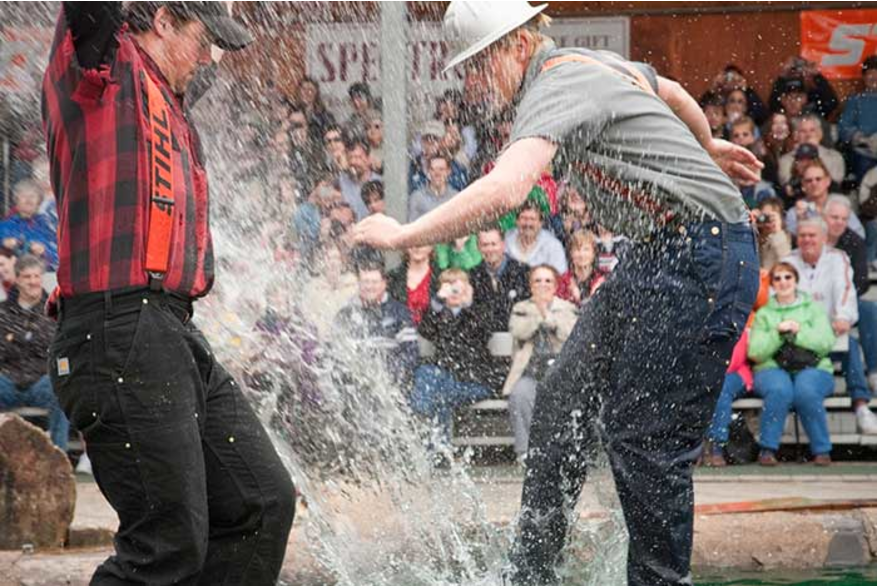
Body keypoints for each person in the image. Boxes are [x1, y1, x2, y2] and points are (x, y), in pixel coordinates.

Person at [354, 2, 761, 584]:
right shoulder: (589, 65)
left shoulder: (554, 82)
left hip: (702, 251)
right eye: (465, 70)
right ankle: (531, 575)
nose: (471, 81)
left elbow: (506, 190)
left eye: (478, 64)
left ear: (519, 45)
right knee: (559, 403)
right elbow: (671, 92)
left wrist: (403, 235)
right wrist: (707, 147)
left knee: (643, 440)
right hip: (657, 253)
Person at [42, 3, 296, 584]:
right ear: (161, 20)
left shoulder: (167, 90)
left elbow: (208, 44)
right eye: (204, 40)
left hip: (167, 328)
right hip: (116, 329)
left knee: (261, 503)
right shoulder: (99, 65)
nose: (210, 58)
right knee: (167, 543)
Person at [784, 219, 877, 436]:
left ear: (824, 238)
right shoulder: (788, 261)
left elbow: (845, 291)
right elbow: (781, 298)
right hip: (798, 335)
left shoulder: (838, 258)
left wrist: (843, 317)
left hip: (829, 332)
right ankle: (785, 412)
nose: (807, 240)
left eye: (812, 235)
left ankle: (861, 406)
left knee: (850, 345)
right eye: (803, 235)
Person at [749, 263, 837, 466]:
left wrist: (799, 332)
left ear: (796, 280)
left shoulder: (813, 308)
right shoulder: (764, 314)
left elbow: (826, 343)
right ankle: (767, 450)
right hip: (772, 367)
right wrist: (777, 333)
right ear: (772, 284)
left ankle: (822, 450)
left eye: (788, 277)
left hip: (813, 366)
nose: (783, 282)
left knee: (806, 391)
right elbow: (756, 352)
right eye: (777, 278)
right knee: (779, 390)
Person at [411, 269, 500, 444]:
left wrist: (468, 304)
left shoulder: (477, 311)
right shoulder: (439, 315)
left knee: (438, 394)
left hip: (474, 381)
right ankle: (439, 448)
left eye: (458, 288)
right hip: (445, 380)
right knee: (426, 373)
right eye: (449, 288)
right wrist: (437, 302)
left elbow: (485, 330)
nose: (454, 292)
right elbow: (425, 331)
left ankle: (423, 420)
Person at [505, 265, 578, 463]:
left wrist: (548, 316)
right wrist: (539, 314)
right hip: (531, 372)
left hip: (560, 372)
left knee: (567, 398)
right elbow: (519, 331)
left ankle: (561, 452)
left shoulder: (567, 308)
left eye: (547, 281)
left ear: (555, 286)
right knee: (520, 395)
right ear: (531, 285)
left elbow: (569, 334)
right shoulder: (521, 308)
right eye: (537, 281)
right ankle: (526, 451)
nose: (542, 285)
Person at [0, 256, 69, 450]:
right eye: (27, 276)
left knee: (63, 391)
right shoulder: (3, 312)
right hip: (8, 381)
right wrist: (29, 340)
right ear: (17, 280)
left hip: (42, 381)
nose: (33, 281)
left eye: (37, 276)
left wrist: (16, 339)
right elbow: (2, 350)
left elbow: (55, 349)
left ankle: (58, 455)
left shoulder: (55, 311)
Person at [469, 227, 532, 333]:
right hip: (485, 336)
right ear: (478, 247)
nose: (490, 249)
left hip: (517, 334)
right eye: (485, 245)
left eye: (493, 244)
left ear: (503, 245)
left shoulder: (522, 271)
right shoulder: (473, 275)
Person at [0, 180, 58, 270]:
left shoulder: (47, 226)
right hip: (13, 273)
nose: (28, 200)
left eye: (32, 196)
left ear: (38, 202)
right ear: (16, 201)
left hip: (44, 273)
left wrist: (44, 251)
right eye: (24, 196)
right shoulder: (4, 225)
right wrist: (3, 243)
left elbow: (59, 254)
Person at [838, 56, 877, 183]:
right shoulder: (855, 100)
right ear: (864, 77)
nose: (874, 78)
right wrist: (862, 139)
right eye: (870, 74)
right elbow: (843, 126)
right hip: (864, 151)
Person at [505, 200, 568, 274]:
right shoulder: (507, 240)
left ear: (540, 223)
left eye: (532, 219)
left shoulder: (553, 246)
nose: (528, 223)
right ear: (517, 221)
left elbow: (560, 275)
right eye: (523, 218)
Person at [388, 245, 439, 326]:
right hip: (398, 330)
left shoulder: (441, 277)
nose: (417, 247)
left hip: (432, 330)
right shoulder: (392, 277)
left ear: (431, 246)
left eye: (422, 243)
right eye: (413, 242)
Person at [408, 154, 460, 222]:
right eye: (433, 169)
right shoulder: (417, 197)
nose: (437, 173)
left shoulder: (456, 198)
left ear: (448, 171)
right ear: (428, 171)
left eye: (441, 169)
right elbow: (412, 224)